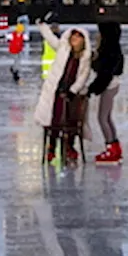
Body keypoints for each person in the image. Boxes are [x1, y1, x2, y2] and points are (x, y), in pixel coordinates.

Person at [35, 23, 92, 164]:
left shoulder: (84, 57)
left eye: (78, 37)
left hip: (72, 95)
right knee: (54, 119)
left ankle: (69, 146)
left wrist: (73, 90)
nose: (75, 39)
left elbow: (83, 76)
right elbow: (50, 38)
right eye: (73, 36)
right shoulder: (63, 48)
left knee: (70, 118)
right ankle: (52, 147)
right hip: (56, 90)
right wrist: (42, 25)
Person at [89, 21, 126, 164]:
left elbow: (105, 72)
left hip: (109, 85)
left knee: (102, 118)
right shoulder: (113, 48)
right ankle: (115, 146)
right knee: (107, 117)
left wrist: (93, 88)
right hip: (112, 83)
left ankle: (111, 147)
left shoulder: (108, 49)